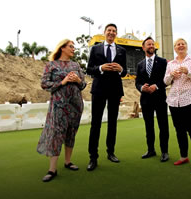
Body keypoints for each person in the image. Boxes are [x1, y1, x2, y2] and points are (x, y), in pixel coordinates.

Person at [37, 39, 86, 182]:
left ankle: (68, 161)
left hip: (75, 104)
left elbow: (83, 84)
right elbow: (44, 84)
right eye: (71, 46)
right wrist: (63, 81)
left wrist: (77, 80)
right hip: (59, 105)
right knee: (56, 133)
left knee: (71, 132)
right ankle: (52, 169)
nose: (73, 49)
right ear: (62, 48)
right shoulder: (51, 65)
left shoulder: (76, 65)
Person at [86, 23, 127, 171]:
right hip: (99, 90)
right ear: (104, 32)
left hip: (115, 90)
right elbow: (89, 69)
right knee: (95, 123)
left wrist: (121, 69)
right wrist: (101, 68)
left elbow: (125, 72)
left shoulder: (122, 51)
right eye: (109, 30)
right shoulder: (95, 49)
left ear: (116, 34)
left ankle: (111, 152)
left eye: (114, 31)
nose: (111, 33)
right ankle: (93, 157)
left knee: (112, 123)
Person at [164, 38, 191, 173]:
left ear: (186, 46)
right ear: (175, 48)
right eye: (178, 44)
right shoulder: (171, 64)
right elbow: (165, 81)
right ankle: (184, 156)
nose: (180, 46)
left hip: (190, 100)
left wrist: (188, 72)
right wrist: (171, 75)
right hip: (174, 101)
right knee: (179, 131)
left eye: (183, 44)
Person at [135, 37, 169, 162]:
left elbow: (167, 79)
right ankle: (151, 150)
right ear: (143, 47)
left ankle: (164, 151)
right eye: (148, 44)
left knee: (163, 125)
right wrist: (141, 87)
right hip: (146, 100)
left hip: (160, 98)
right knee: (149, 126)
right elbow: (137, 82)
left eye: (152, 44)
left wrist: (157, 86)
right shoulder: (140, 64)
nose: (151, 46)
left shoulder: (163, 62)